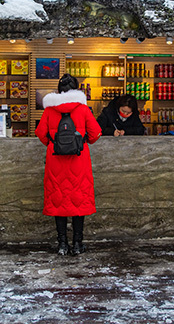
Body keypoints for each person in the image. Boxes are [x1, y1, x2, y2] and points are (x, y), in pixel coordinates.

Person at [36, 73, 102, 256]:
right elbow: (96, 133)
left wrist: (52, 145)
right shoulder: (82, 109)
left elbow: (40, 133)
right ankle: (78, 244)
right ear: (77, 90)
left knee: (59, 202)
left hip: (56, 162)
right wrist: (83, 142)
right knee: (78, 202)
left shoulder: (50, 110)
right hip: (79, 162)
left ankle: (62, 244)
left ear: (58, 90)